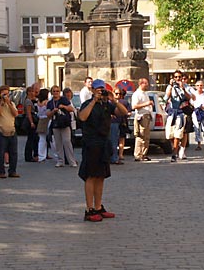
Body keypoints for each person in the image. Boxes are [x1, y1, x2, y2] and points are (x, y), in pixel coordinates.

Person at [78, 79, 128, 221]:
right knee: (91, 176)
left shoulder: (107, 105)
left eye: (102, 89)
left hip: (103, 143)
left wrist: (114, 100)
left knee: (101, 176)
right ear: (93, 90)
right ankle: (89, 209)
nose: (101, 91)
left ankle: (98, 206)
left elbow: (124, 112)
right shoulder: (87, 104)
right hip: (91, 143)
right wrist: (94, 100)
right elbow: (82, 117)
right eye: (98, 89)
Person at [164, 71, 193, 162]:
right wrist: (171, 86)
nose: (178, 79)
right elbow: (166, 98)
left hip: (181, 113)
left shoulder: (185, 87)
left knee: (178, 134)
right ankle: (176, 148)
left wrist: (182, 88)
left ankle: (174, 153)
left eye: (179, 77)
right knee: (169, 134)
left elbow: (189, 98)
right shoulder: (170, 87)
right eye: (176, 77)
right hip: (172, 113)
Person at [0, 86, 20, 178]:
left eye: (7, 93)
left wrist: (9, 103)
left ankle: (12, 171)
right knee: (1, 153)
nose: (5, 96)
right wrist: (1, 103)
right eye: (4, 94)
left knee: (13, 153)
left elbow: (16, 114)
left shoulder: (12, 103)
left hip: (12, 130)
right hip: (1, 131)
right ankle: (1, 172)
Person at [48, 87, 77, 166]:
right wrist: (53, 111)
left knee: (67, 142)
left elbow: (71, 109)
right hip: (55, 124)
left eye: (57, 91)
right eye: (54, 91)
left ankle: (72, 161)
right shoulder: (50, 102)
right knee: (58, 143)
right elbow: (48, 114)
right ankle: (60, 161)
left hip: (65, 124)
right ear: (51, 92)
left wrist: (64, 107)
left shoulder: (64, 100)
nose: (56, 93)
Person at [131, 77, 153, 161]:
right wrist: (146, 104)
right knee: (140, 136)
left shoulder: (145, 93)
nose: (147, 85)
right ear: (141, 84)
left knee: (146, 137)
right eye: (146, 83)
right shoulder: (137, 94)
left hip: (147, 116)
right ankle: (137, 155)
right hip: (141, 116)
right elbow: (134, 106)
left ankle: (143, 154)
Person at [191, 81, 204, 150]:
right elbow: (191, 103)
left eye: (201, 85)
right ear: (196, 86)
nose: (199, 87)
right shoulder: (193, 94)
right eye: (198, 85)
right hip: (196, 112)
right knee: (197, 128)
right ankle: (199, 144)